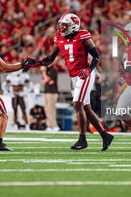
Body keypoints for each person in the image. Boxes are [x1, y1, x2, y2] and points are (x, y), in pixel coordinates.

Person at [23, 13, 114, 151]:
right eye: (61, 25)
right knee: (86, 109)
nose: (62, 28)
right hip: (73, 77)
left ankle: (82, 139)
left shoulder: (82, 36)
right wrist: (35, 63)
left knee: (77, 104)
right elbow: (49, 59)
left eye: (65, 26)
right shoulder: (59, 38)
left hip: (84, 74)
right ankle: (105, 135)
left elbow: (96, 56)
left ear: (73, 26)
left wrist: (89, 70)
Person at [41, 64, 60, 132]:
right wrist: (46, 78)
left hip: (52, 92)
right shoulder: (48, 70)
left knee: (51, 109)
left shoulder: (53, 69)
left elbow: (47, 80)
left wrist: (43, 72)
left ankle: (54, 125)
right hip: (47, 92)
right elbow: (43, 81)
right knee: (47, 109)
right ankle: (51, 125)